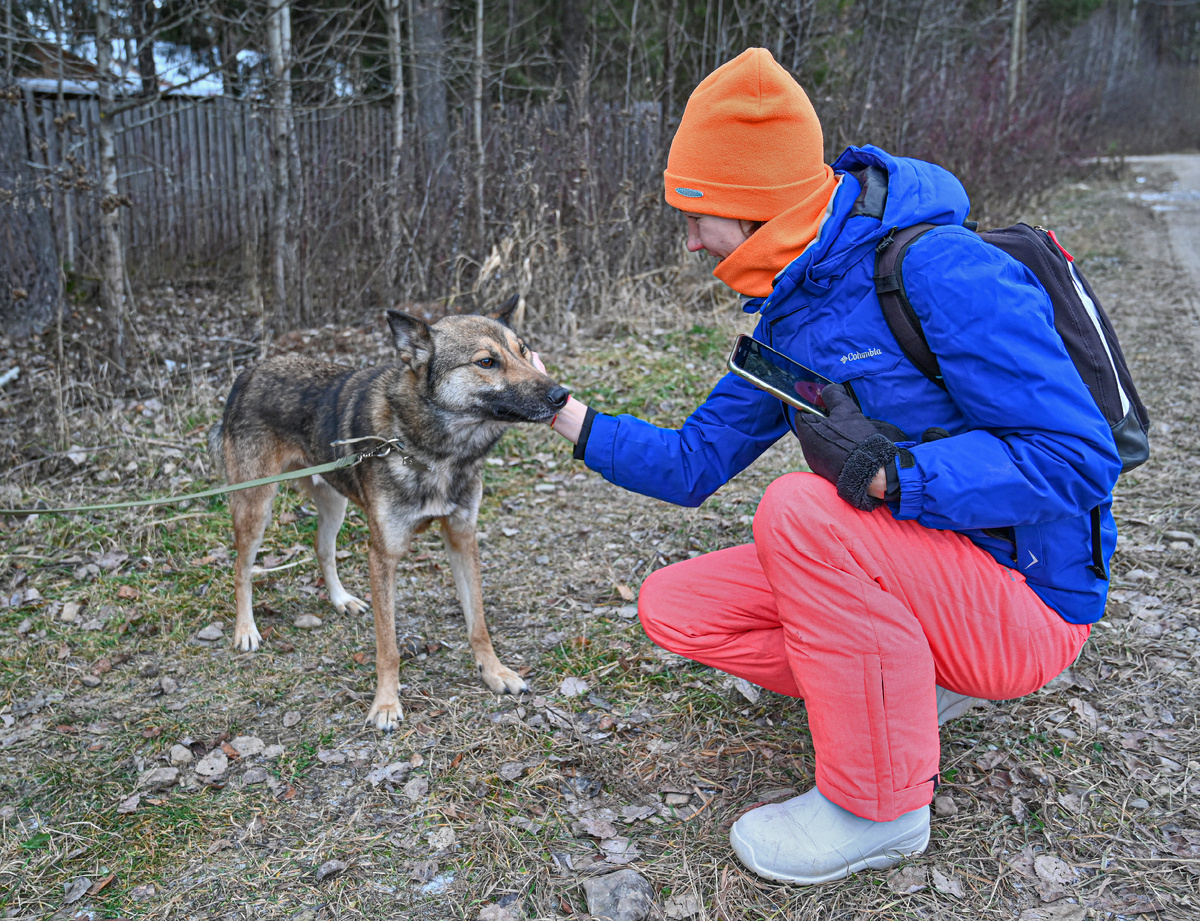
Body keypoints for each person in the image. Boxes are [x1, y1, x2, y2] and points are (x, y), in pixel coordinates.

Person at [538, 48, 1121, 885]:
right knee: (678, 607)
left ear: (754, 205)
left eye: (698, 213)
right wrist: (560, 409)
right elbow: (693, 462)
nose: (690, 238)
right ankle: (902, 690)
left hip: (1028, 598)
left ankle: (878, 808)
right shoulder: (788, 312)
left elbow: (1077, 457)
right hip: (921, 564)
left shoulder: (937, 269)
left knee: (798, 510)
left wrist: (898, 476)